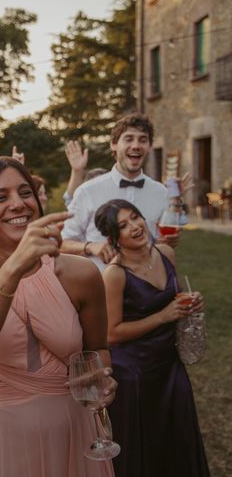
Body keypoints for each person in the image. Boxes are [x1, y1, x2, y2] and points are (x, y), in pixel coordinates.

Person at [0, 156, 115, 476]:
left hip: (73, 422)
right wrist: (15, 265)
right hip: (7, 427)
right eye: (0, 197)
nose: (18, 203)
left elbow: (98, 351)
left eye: (25, 193)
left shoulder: (81, 273)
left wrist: (101, 377)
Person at [95, 199, 210, 477]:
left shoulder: (166, 253)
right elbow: (112, 333)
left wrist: (189, 302)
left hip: (170, 364)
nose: (135, 226)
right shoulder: (114, 274)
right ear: (113, 237)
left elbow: (175, 297)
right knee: (144, 447)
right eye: (123, 225)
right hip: (134, 372)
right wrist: (164, 316)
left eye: (135, 217)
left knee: (177, 437)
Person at [61, 113, 177, 271]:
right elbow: (62, 243)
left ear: (149, 146)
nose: (136, 145)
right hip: (101, 288)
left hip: (148, 286)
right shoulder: (87, 191)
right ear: (114, 144)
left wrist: (168, 241)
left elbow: (159, 243)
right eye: (129, 139)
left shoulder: (161, 193)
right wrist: (90, 246)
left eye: (142, 140)